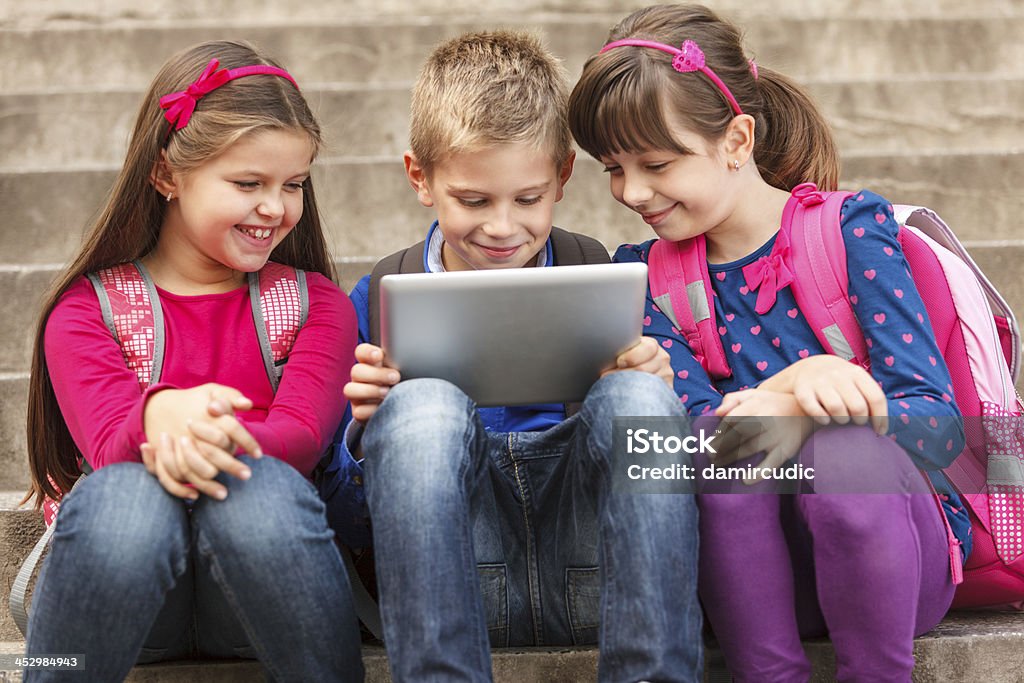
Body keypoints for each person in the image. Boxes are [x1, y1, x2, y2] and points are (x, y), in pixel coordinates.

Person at [568, 5, 968, 681]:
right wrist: (787, 388)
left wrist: (817, 403)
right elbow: (688, 452)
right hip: (756, 586)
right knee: (728, 458)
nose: (630, 191)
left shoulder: (849, 231)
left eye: (656, 163)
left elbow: (937, 426)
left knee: (843, 449)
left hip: (895, 567)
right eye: (612, 167)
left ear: (736, 139)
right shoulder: (645, 277)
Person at [319, 30, 703, 682]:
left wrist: (657, 388)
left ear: (561, 176)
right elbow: (346, 516)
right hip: (461, 576)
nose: (502, 227)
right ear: (420, 178)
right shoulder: (378, 296)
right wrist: (365, 434)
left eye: (528, 199)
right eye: (473, 200)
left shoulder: (602, 274)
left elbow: (684, 474)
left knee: (639, 399)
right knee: (420, 410)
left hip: (593, 574)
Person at [23, 40, 364, 682]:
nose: (276, 207)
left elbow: (300, 438)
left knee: (257, 491)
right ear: (166, 175)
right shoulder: (84, 309)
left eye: (293, 184)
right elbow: (107, 445)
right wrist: (160, 413)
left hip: (268, 581)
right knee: (122, 498)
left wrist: (191, 428)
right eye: (247, 183)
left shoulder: (317, 304)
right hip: (126, 591)